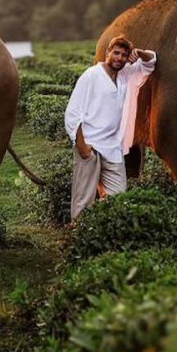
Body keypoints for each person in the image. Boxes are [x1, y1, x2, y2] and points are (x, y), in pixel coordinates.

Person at [65, 35, 157, 220]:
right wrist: (82, 146)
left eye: (124, 55)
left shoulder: (127, 75)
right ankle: (78, 236)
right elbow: (73, 113)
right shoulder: (91, 75)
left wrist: (138, 53)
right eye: (116, 53)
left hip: (113, 148)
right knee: (84, 198)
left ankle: (102, 230)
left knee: (118, 197)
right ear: (107, 52)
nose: (119, 58)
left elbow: (150, 62)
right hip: (91, 146)